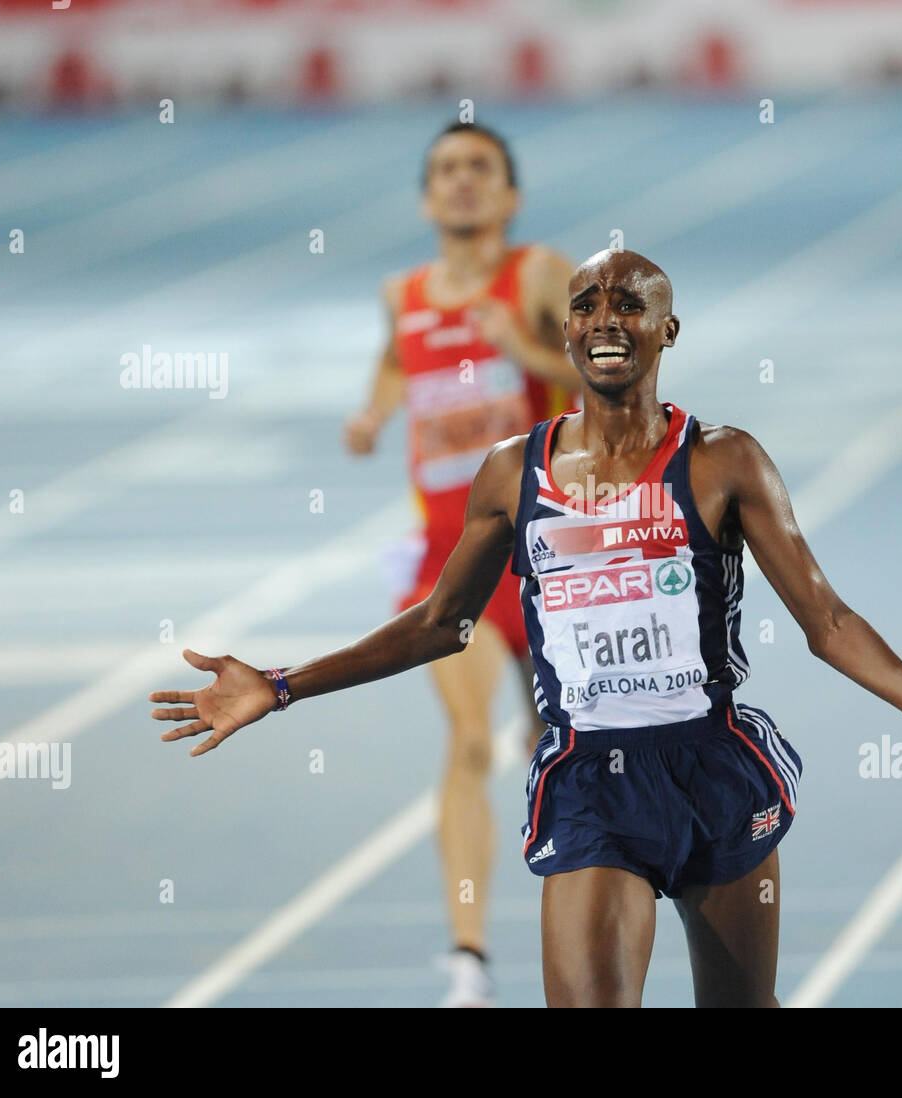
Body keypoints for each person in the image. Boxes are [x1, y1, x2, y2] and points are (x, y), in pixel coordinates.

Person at [152, 249, 902, 1007]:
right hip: (592, 783)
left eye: (630, 304)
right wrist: (280, 686)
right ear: (565, 331)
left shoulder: (722, 462)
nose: (606, 318)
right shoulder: (513, 475)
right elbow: (441, 624)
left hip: (713, 771)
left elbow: (826, 621)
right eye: (587, 304)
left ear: (666, 331)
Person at [341, 120, 577, 1005]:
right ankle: (468, 960)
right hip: (455, 563)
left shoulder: (541, 274)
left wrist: (522, 351)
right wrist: (371, 416)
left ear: (510, 195)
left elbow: (615, 375)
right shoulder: (401, 292)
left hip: (553, 551)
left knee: (571, 747)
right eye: (445, 170)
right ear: (425, 197)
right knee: (470, 740)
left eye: (480, 168)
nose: (462, 183)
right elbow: (396, 364)